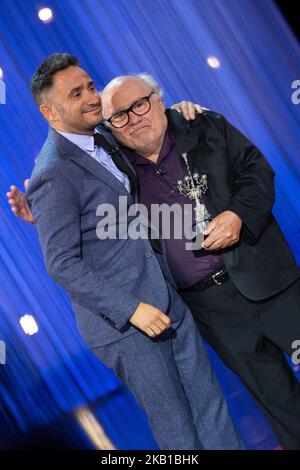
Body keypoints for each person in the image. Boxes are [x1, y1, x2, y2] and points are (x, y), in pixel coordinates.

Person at [7, 53, 243, 450]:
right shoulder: (51, 172)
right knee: (178, 429)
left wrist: (182, 112)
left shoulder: (104, 136)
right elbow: (61, 263)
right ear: (49, 112)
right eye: (76, 93)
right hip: (125, 325)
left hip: (168, 296)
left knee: (210, 406)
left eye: (90, 86)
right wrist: (131, 310)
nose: (92, 97)